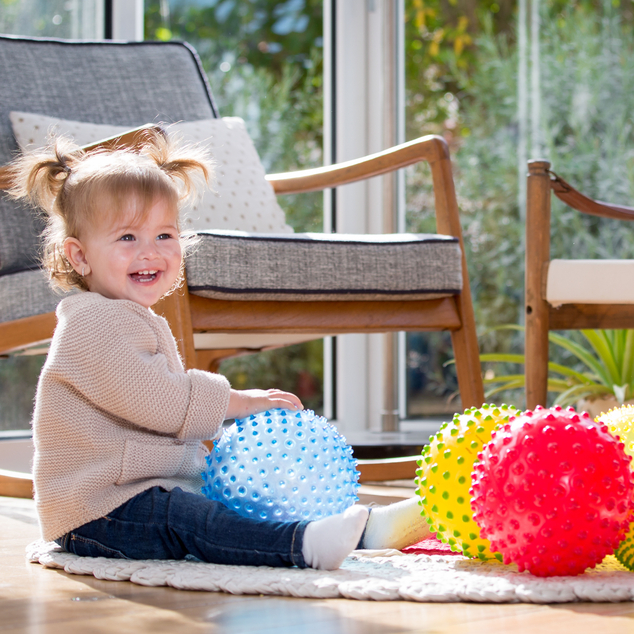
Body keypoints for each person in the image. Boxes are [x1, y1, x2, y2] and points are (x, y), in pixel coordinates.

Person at [8, 132, 429, 571]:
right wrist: (240, 402)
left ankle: (360, 529)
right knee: (190, 519)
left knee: (239, 503)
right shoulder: (91, 322)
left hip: (138, 495)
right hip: (98, 512)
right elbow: (159, 400)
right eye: (128, 237)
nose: (150, 252)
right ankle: (300, 546)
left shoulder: (128, 317)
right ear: (79, 257)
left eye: (164, 234)